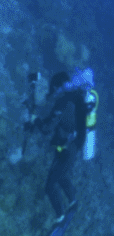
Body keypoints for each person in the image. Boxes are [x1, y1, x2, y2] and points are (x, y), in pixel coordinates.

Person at [26, 68, 99, 223]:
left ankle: (60, 218)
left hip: (67, 148)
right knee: (62, 176)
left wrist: (35, 120)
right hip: (72, 145)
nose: (53, 92)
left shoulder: (64, 102)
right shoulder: (76, 98)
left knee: (50, 186)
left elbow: (46, 128)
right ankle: (72, 202)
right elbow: (56, 120)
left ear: (61, 86)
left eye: (55, 88)